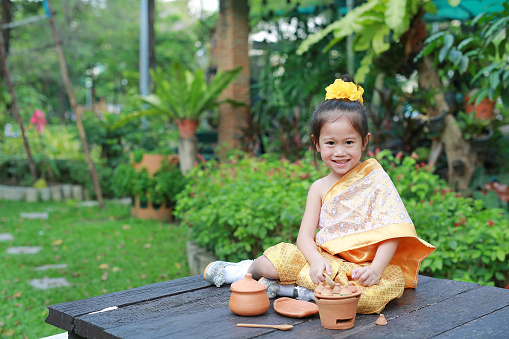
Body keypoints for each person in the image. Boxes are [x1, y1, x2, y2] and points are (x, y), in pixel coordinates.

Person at [204, 75, 435, 314]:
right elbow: (304, 237)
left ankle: (292, 291)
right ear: (317, 144)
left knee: (367, 298)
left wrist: (375, 270)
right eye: (331, 143)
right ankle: (246, 270)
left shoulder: (375, 180)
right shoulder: (319, 188)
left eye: (348, 142)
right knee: (278, 262)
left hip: (361, 268)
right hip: (325, 261)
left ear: (364, 141)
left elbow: (393, 230)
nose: (340, 152)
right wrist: (316, 261)